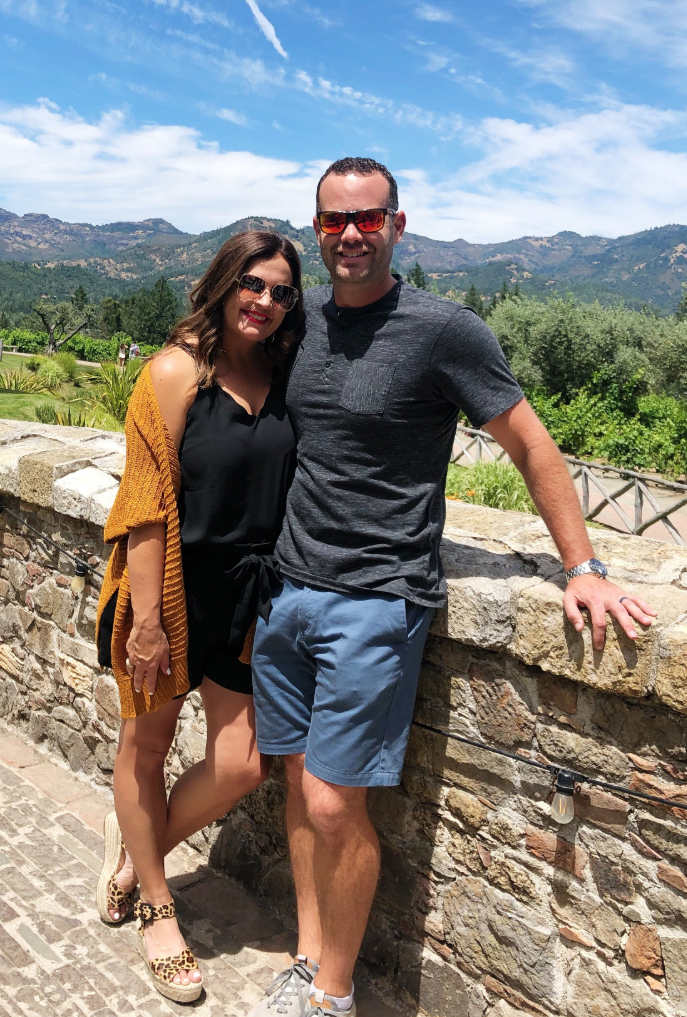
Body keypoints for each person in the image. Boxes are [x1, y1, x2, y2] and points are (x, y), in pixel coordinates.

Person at [247, 157, 657, 1017]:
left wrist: (582, 568)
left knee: (332, 804)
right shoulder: (302, 314)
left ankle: (331, 992)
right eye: (333, 221)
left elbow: (532, 446)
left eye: (367, 219)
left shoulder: (444, 330)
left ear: (398, 224)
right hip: (288, 588)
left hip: (377, 599)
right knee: (293, 782)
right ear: (316, 230)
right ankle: (305, 956)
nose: (349, 235)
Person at [95, 230, 304, 1003]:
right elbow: (144, 510)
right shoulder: (176, 373)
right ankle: (156, 908)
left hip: (252, 597)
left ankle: (132, 860)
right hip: (172, 594)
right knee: (145, 748)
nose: (266, 302)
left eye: (282, 292)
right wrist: (146, 622)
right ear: (222, 282)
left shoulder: (282, 373)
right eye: (253, 283)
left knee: (243, 762)